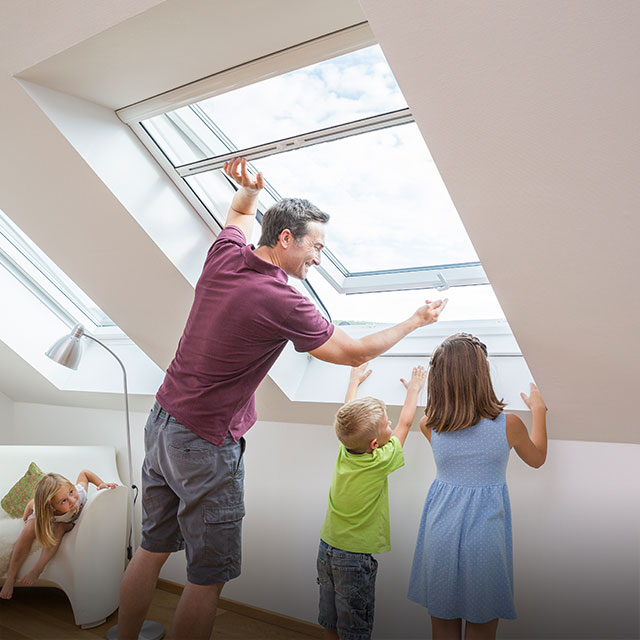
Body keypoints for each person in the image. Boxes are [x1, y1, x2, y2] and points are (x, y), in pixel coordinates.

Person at [116, 157, 447, 640]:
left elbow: (236, 218)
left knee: (151, 548)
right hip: (204, 443)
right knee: (207, 578)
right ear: (288, 239)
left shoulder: (227, 256)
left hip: (162, 422)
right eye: (316, 246)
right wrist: (415, 321)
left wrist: (248, 191)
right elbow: (350, 351)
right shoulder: (282, 299)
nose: (319, 258)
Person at [407, 333, 548, 640]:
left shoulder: (429, 424)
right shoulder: (508, 426)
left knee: (443, 625)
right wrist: (538, 410)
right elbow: (537, 458)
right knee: (482, 626)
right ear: (481, 376)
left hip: (439, 530)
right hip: (485, 535)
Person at [318, 362, 427, 640]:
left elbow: (347, 414)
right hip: (353, 559)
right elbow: (405, 423)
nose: (390, 424)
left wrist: (354, 380)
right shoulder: (380, 461)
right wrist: (414, 389)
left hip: (327, 548)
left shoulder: (345, 449)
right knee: (355, 627)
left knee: (330, 619)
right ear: (375, 445)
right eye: (384, 425)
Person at [0, 470, 117, 600]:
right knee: (27, 532)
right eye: (63, 501)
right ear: (53, 507)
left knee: (59, 527)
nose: (72, 500)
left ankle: (38, 569)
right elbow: (30, 504)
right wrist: (25, 519)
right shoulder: (44, 510)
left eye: (71, 492)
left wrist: (101, 484)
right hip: (47, 518)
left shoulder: (80, 493)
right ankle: (11, 577)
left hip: (66, 523)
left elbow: (85, 473)